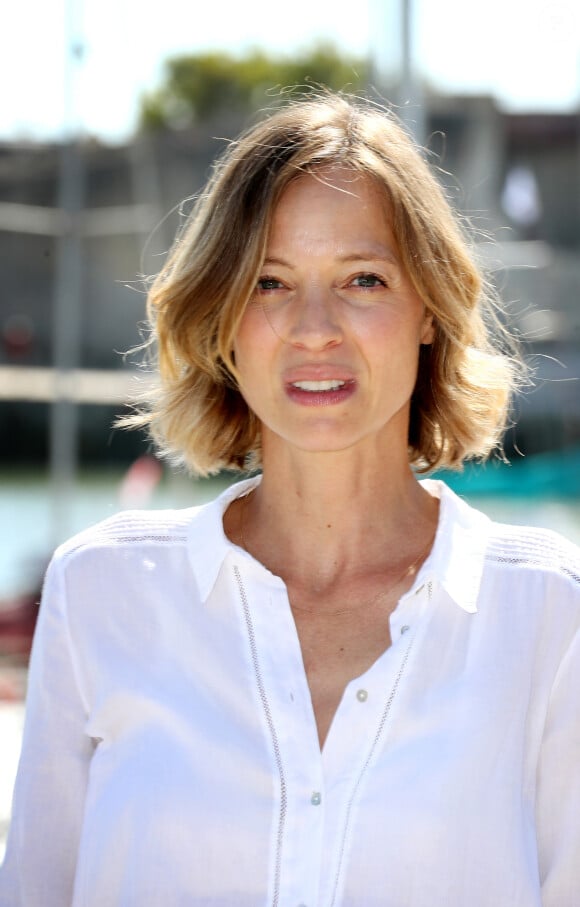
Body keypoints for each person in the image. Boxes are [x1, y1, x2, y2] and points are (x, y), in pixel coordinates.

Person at [1, 92, 579, 907]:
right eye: (270, 282)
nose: (314, 327)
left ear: (428, 309)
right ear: (225, 314)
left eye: (363, 279)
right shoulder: (99, 593)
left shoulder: (550, 613)